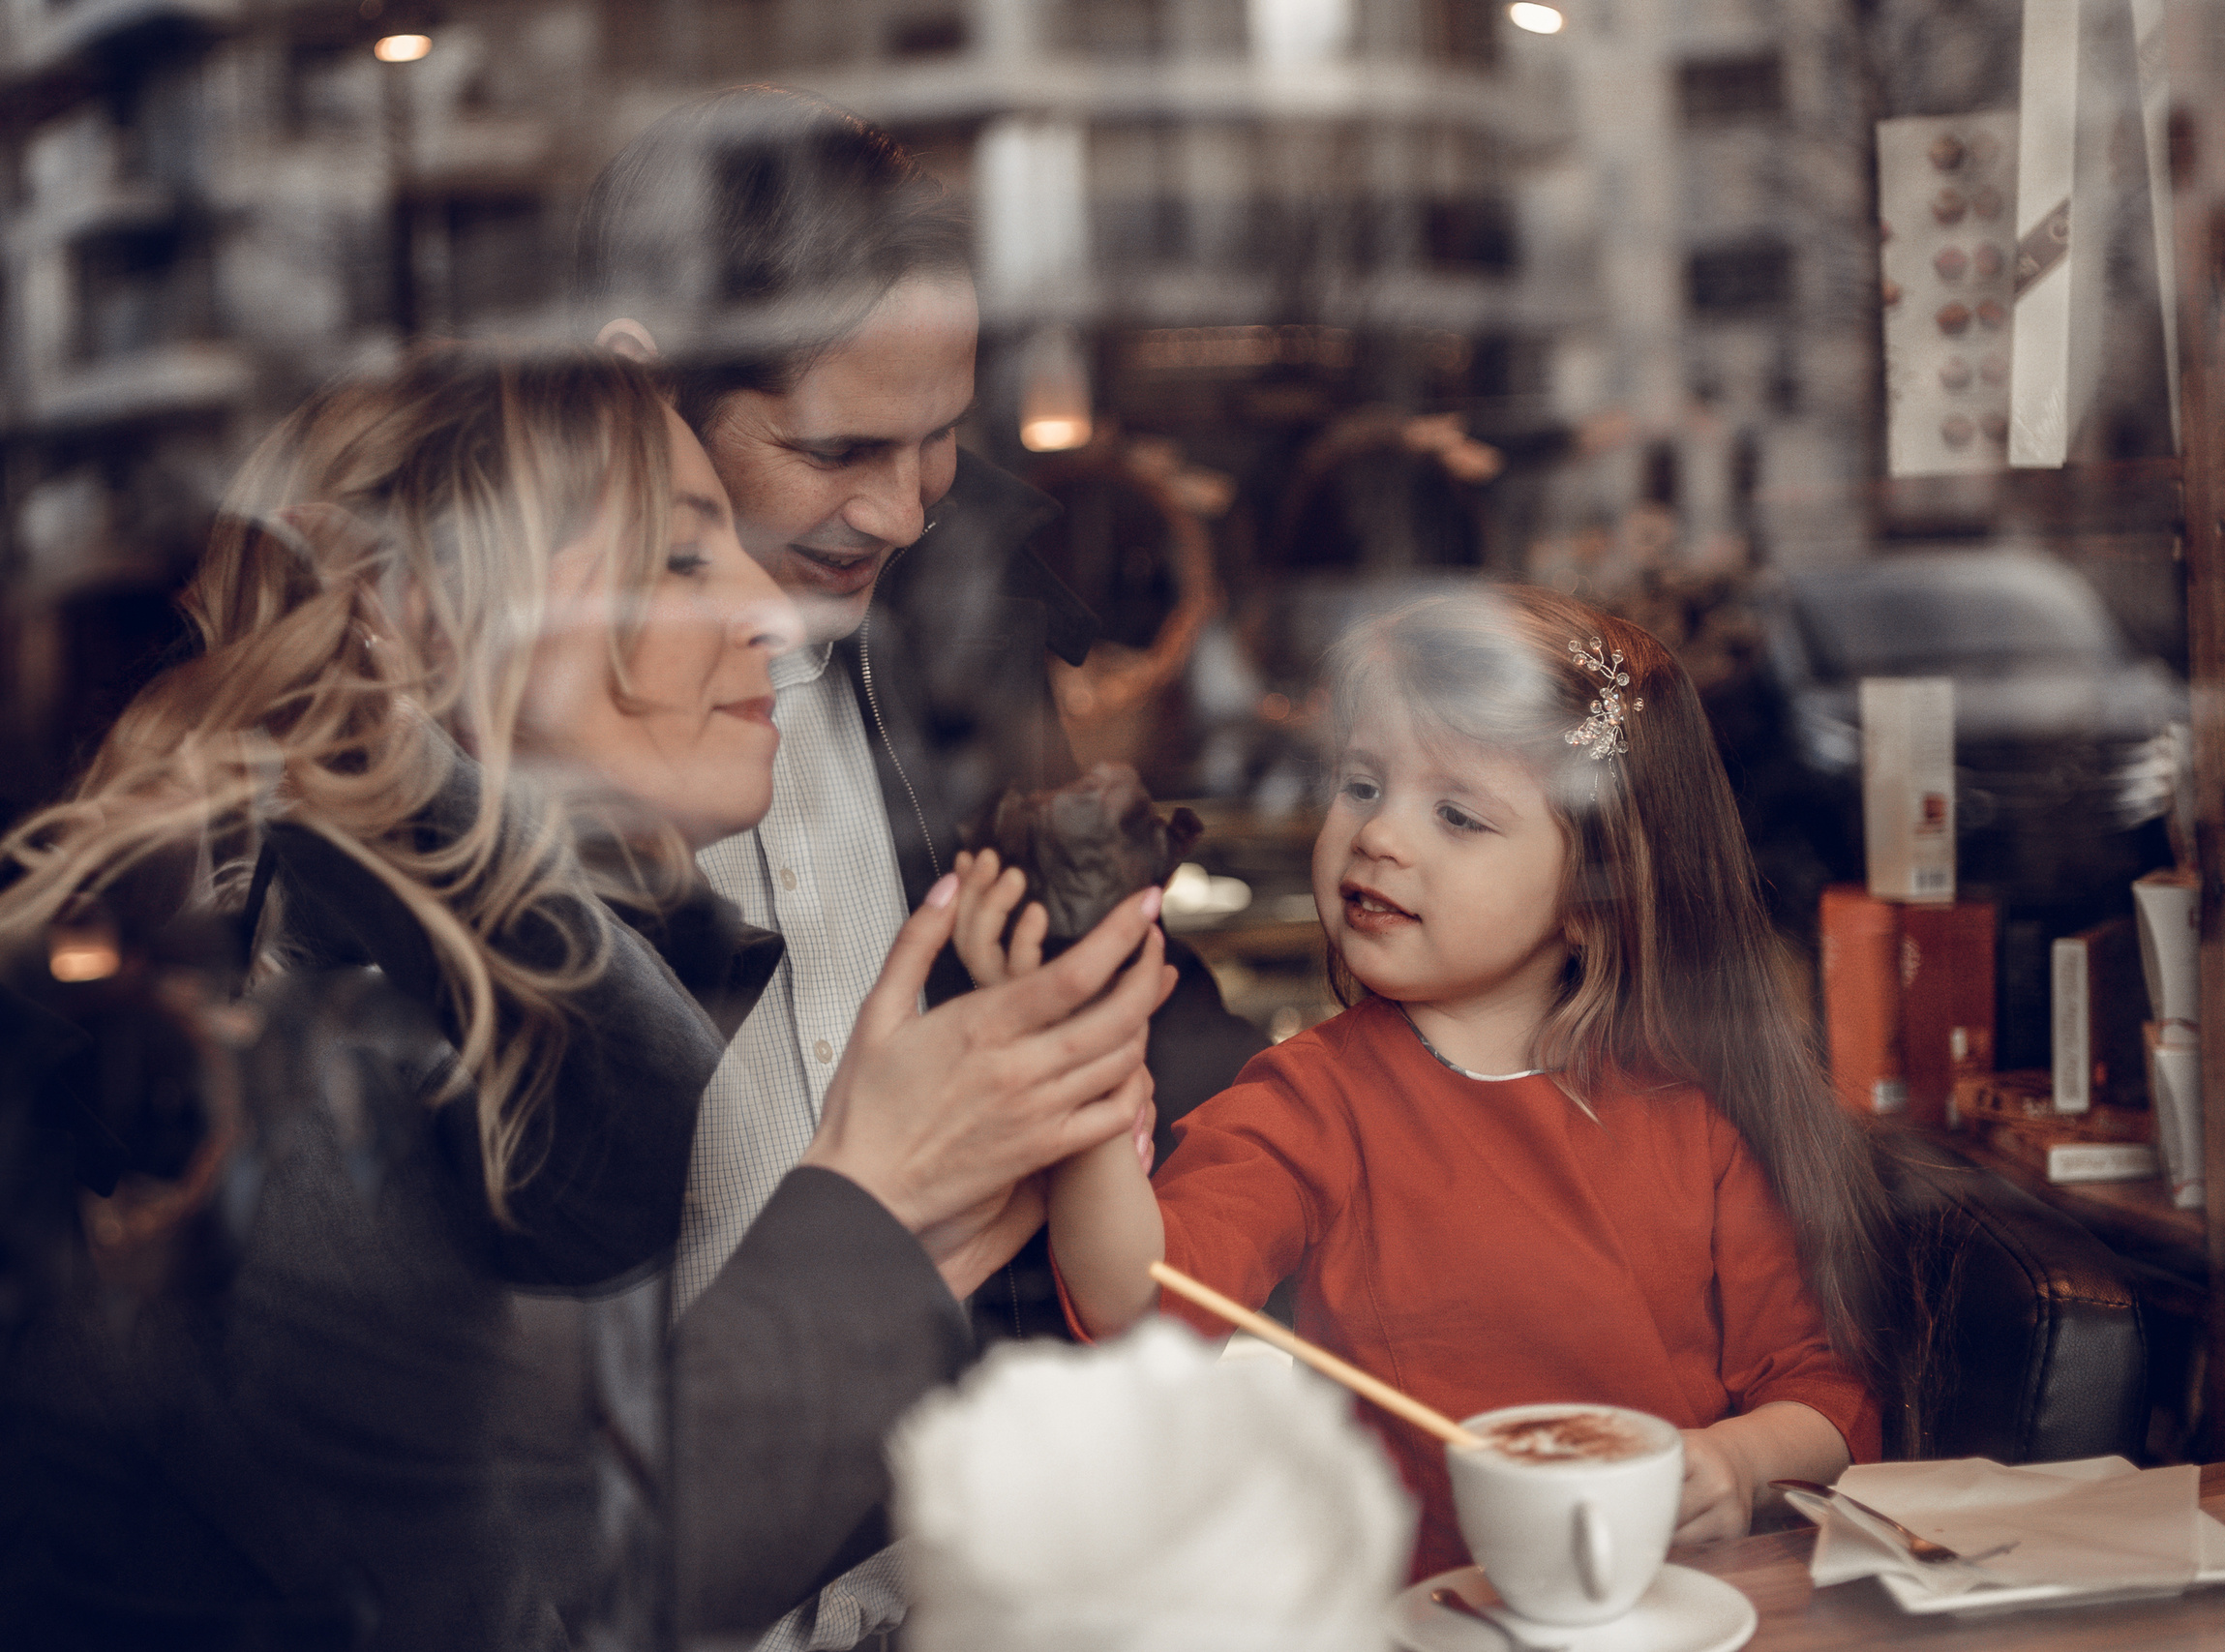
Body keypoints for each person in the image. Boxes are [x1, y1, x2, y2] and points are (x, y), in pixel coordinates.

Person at [0, 345, 1166, 1647]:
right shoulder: (299, 1043)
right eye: (678, 558)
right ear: (404, 606)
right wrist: (872, 1204)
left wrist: (915, 1241)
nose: (776, 616)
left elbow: (573, 1519)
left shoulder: (454, 1005)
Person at [573, 87, 1264, 1359]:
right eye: (838, 450)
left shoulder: (970, 616)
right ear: (640, 383)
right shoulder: (518, 720)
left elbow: (1118, 984)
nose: (901, 513)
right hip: (675, 1517)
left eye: (939, 435)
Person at [1041, 586, 1890, 1582]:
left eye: (1457, 814)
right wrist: (1089, 1094)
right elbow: (1139, 1303)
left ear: (1593, 894)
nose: (1380, 836)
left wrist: (1736, 1462)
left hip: (1677, 1610)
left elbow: (1822, 1394)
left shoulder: (1693, 1111)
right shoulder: (1313, 1102)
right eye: (1361, 785)